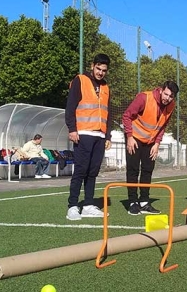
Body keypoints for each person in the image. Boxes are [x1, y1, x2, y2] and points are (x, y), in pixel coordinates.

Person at [65, 53, 114, 220]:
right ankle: (72, 206)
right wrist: (72, 129)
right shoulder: (80, 80)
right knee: (80, 170)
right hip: (83, 133)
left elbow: (109, 113)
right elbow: (70, 106)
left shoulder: (106, 87)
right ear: (92, 66)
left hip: (100, 136)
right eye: (98, 69)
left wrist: (108, 136)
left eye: (104, 70)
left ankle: (88, 205)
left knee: (93, 172)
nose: (101, 72)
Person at [122, 80, 180, 215]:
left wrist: (157, 143)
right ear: (161, 90)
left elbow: (163, 125)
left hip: (151, 142)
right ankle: (132, 202)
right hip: (134, 138)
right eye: (166, 94)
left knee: (148, 170)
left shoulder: (171, 106)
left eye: (171, 96)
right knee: (133, 170)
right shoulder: (144, 97)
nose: (167, 98)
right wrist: (129, 136)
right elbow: (126, 116)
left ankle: (144, 201)